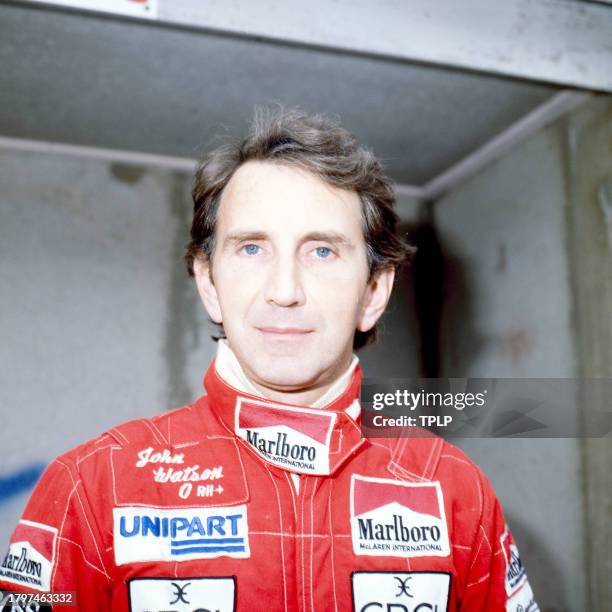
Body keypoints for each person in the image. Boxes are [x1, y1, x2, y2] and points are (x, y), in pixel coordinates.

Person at [0, 108, 539, 611]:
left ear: (373, 292)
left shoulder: (451, 486)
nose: (284, 291)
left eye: (321, 251)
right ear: (209, 283)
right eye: (252, 248)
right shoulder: (93, 483)